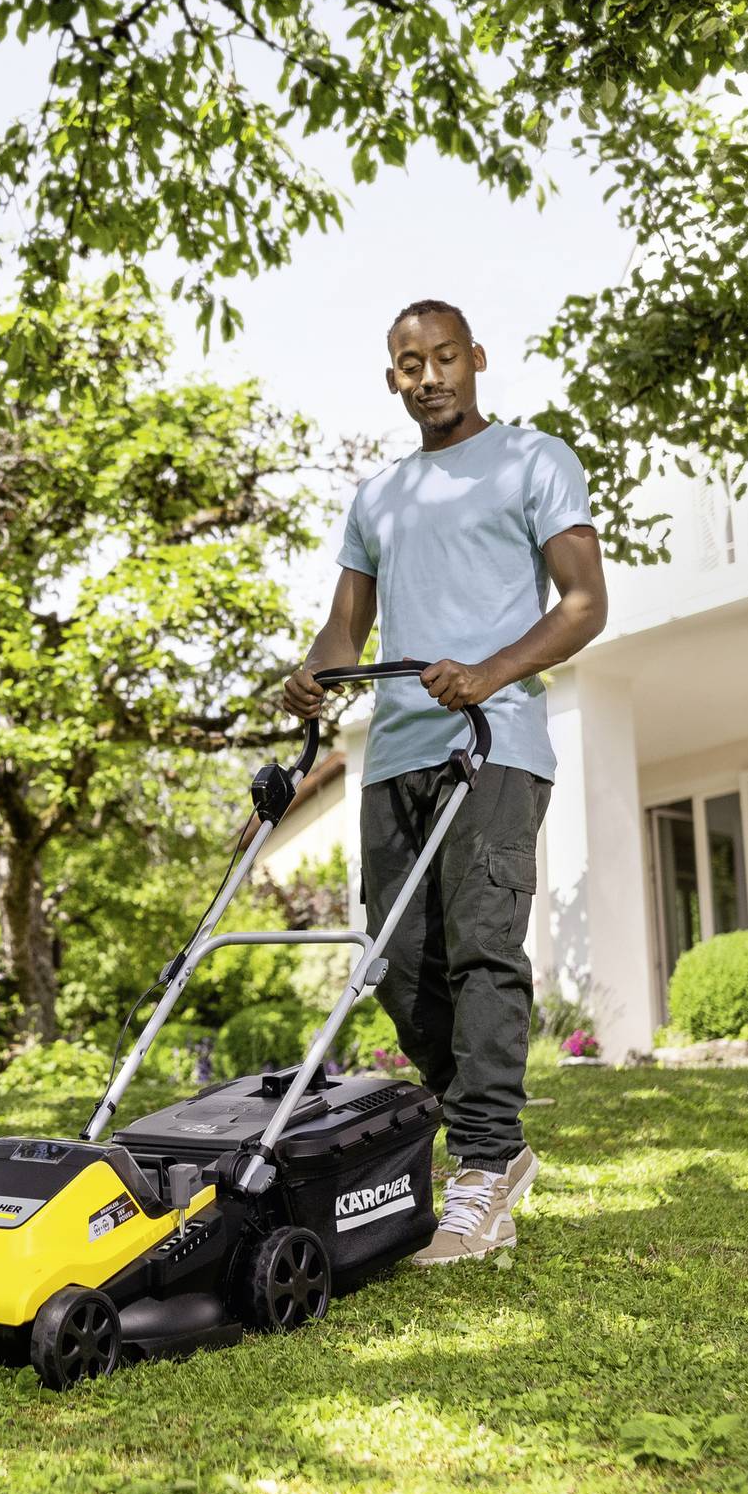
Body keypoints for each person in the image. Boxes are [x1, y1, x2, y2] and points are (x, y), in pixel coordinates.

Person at [284, 298, 608, 1266]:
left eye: (443, 358)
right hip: (396, 754)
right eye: (408, 364)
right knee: (399, 964)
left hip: (493, 739)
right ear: (392, 378)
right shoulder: (378, 497)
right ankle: (484, 1142)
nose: (429, 376)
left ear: (475, 358)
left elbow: (585, 603)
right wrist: (314, 672)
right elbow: (346, 630)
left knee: (482, 948)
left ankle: (480, 1163)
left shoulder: (534, 460)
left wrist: (490, 670)